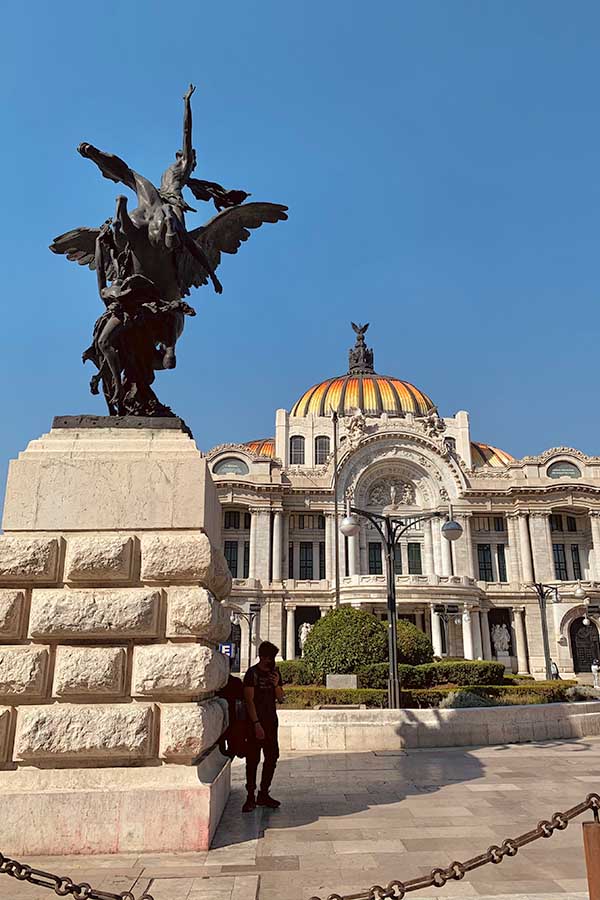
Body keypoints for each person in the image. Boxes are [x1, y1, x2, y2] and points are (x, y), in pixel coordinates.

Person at [242, 641, 284, 813]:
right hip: (255, 723)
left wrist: (276, 684)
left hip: (271, 721)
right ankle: (250, 796)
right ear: (262, 657)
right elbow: (249, 700)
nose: (271, 661)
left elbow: (281, 698)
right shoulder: (252, 673)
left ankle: (264, 793)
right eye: (269, 658)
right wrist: (256, 724)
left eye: (273, 658)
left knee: (272, 757)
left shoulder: (275, 673)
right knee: (253, 760)